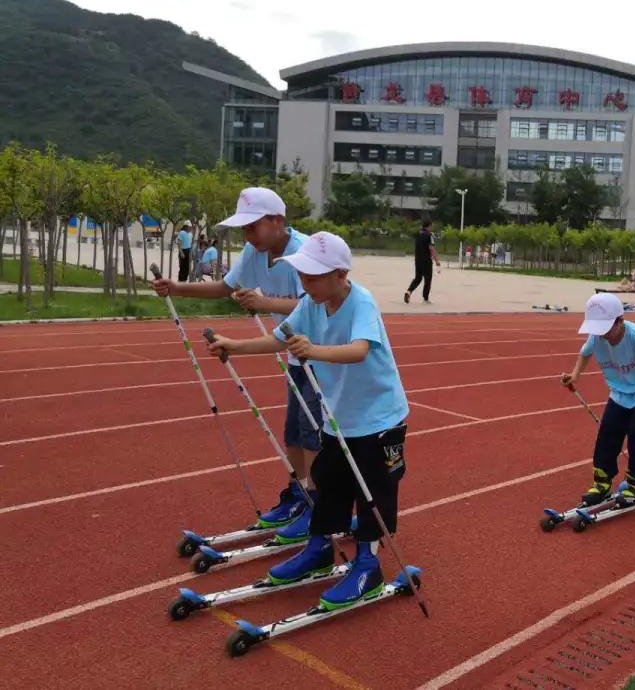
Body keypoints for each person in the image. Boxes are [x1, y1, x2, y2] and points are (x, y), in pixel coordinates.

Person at [207, 231, 409, 610]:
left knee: (373, 492)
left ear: (340, 273)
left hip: (379, 419)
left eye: (312, 277)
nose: (305, 283)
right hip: (340, 419)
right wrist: (235, 346)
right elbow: (282, 338)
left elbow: (360, 350)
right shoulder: (311, 304)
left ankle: (368, 564)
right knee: (329, 482)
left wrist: (313, 350)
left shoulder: (360, 302)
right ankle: (319, 548)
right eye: (302, 275)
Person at [151, 186, 321, 536]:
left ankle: (320, 504)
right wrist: (177, 288)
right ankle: (299, 493)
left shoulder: (303, 252)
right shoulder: (253, 251)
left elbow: (315, 303)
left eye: (253, 226)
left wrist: (264, 303)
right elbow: (225, 287)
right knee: (293, 432)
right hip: (293, 352)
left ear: (277, 222)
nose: (247, 235)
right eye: (244, 229)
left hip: (321, 353)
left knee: (314, 434)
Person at [561, 293, 635, 507]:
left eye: (606, 327)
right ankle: (602, 483)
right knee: (607, 437)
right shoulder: (597, 335)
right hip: (619, 393)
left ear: (620, 321)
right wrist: (575, 375)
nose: (601, 334)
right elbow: (585, 353)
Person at [405, 219, 440, 304]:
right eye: (431, 226)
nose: (431, 228)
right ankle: (425, 298)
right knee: (428, 279)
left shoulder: (418, 235)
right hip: (426, 260)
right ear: (428, 226)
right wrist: (437, 260)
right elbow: (431, 248)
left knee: (418, 278)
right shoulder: (429, 235)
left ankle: (409, 291)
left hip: (418, 259)